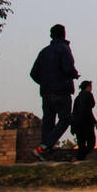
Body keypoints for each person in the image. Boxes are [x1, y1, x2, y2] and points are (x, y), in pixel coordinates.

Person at [30, 24, 79, 160]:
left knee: (48, 123)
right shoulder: (64, 49)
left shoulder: (44, 52)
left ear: (51, 35)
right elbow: (68, 68)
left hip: (46, 93)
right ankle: (44, 147)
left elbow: (34, 73)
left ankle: (45, 153)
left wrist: (45, 83)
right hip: (61, 91)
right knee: (65, 119)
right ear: (64, 34)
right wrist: (74, 74)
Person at [70, 80, 97, 162]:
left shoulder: (77, 98)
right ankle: (79, 158)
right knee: (91, 142)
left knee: (81, 143)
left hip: (78, 123)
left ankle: (79, 158)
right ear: (88, 87)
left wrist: (73, 126)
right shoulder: (88, 95)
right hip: (86, 123)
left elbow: (74, 113)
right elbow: (88, 110)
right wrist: (94, 122)